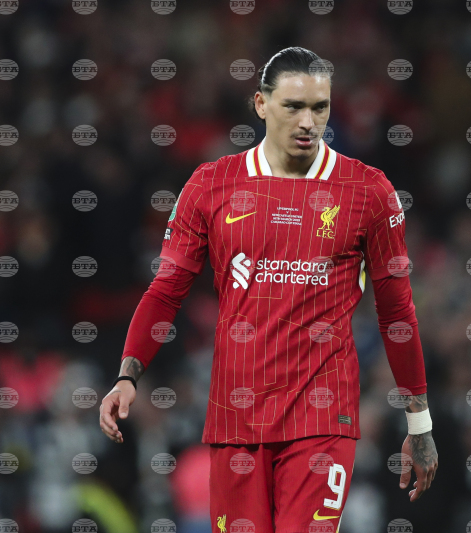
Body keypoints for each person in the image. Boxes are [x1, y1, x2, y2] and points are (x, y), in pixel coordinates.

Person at [98, 47, 438, 533]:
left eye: (319, 107)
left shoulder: (368, 192)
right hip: (235, 419)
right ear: (260, 104)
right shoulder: (211, 185)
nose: (308, 122)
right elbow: (166, 289)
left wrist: (419, 423)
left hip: (322, 419)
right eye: (293, 106)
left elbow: (397, 312)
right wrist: (128, 375)